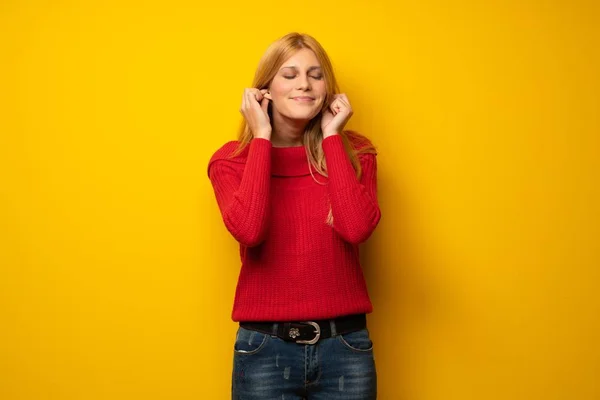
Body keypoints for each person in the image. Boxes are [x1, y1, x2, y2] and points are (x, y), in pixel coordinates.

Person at [207, 32, 381, 400]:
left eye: (316, 75)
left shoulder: (357, 153)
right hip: (264, 350)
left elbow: (356, 228)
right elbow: (250, 231)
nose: (304, 83)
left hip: (346, 348)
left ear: (328, 89)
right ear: (264, 89)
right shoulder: (231, 161)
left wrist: (334, 137)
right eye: (289, 74)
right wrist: (261, 137)